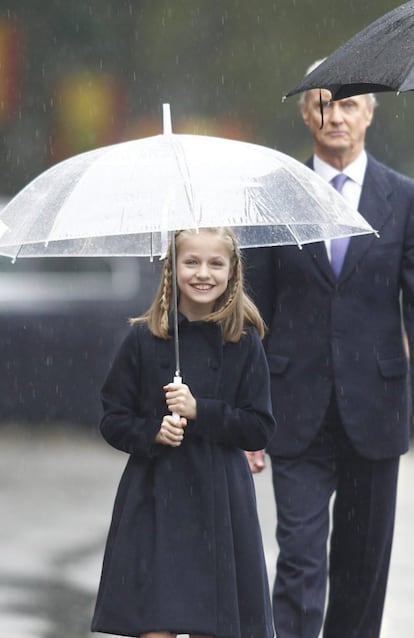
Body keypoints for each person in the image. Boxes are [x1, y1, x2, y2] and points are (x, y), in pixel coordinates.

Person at [245, 62, 414, 638]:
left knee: (362, 571)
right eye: (323, 103)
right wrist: (246, 414)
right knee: (299, 559)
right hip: (293, 408)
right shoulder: (273, 197)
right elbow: (253, 310)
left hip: (377, 406)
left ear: (370, 112)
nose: (335, 115)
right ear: (304, 112)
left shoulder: (404, 198)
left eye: (349, 104)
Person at [91, 226, 276, 638]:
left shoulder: (244, 341)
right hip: (155, 498)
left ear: (232, 271)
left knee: (213, 623)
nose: (202, 273)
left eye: (215, 263)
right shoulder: (143, 339)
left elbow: (258, 427)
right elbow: (112, 418)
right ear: (172, 268)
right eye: (191, 262)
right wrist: (152, 432)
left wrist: (201, 412)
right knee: (155, 624)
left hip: (220, 501)